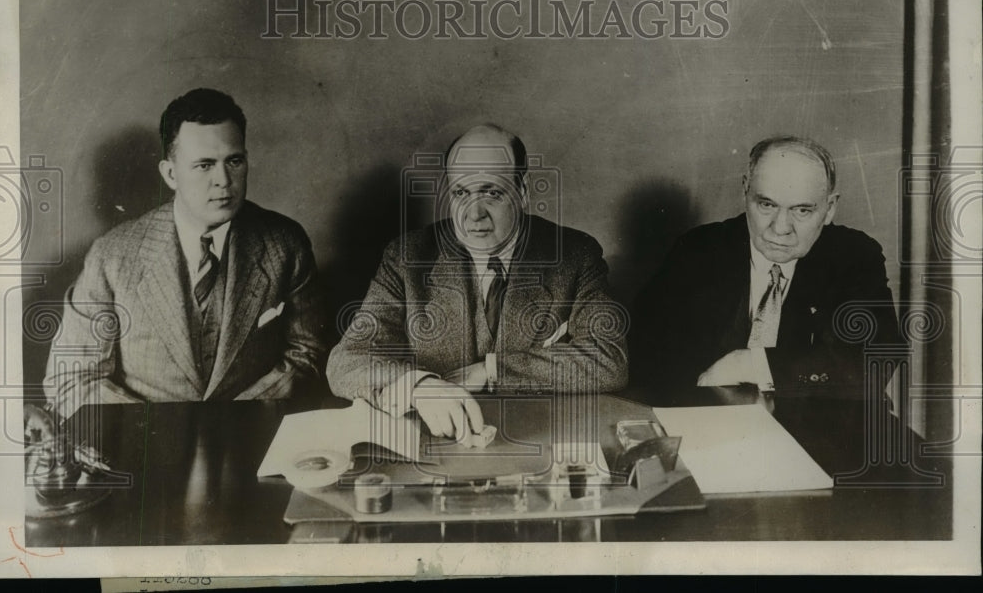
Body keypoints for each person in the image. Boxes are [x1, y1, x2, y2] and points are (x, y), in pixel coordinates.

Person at [326, 124, 628, 440]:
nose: (474, 215)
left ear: (523, 191)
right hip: (434, 442)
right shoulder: (407, 256)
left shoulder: (574, 254)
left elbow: (609, 359)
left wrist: (492, 371)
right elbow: (346, 360)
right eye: (461, 193)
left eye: (492, 193)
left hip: (536, 440)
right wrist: (419, 386)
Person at [44, 88, 326, 418]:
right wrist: (157, 432)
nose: (223, 180)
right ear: (170, 174)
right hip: (145, 451)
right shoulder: (112, 256)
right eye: (204, 165)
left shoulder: (284, 243)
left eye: (234, 161)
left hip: (255, 442)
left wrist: (237, 423)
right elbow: (72, 379)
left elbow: (309, 353)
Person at [631, 136, 902, 404]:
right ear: (745, 190)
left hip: (821, 430)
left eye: (802, 210)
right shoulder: (699, 250)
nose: (781, 228)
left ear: (830, 208)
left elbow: (878, 357)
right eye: (767, 205)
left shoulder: (853, 256)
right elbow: (644, 351)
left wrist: (754, 364)